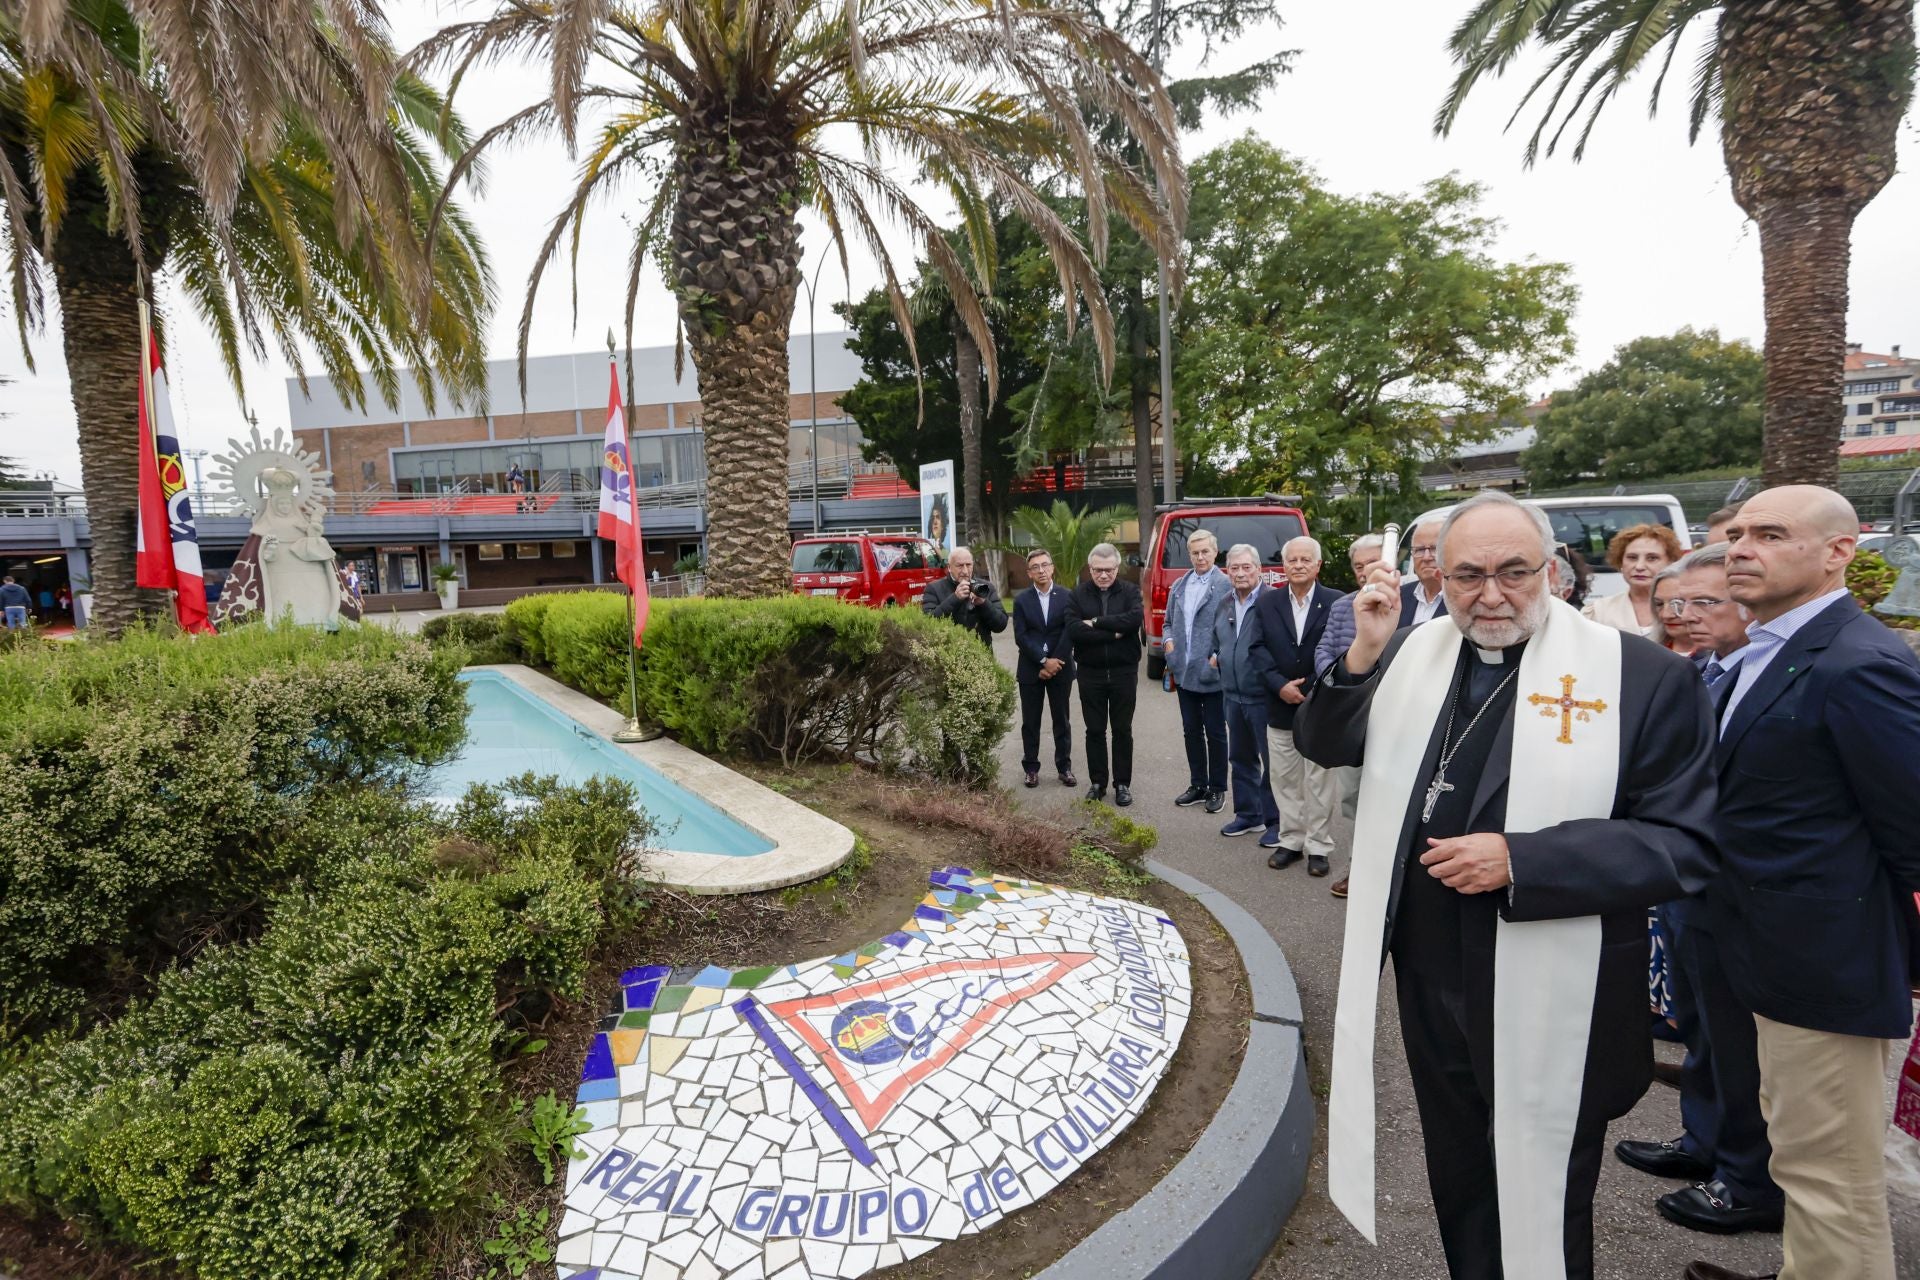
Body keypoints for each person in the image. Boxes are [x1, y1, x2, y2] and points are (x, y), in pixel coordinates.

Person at [1296, 489, 1718, 1280]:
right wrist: (1363, 651)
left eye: (1514, 571)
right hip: (1431, 975)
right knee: (1460, 1172)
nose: (1491, 595)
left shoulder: (1641, 677)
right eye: (1468, 575)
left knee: (1545, 1188)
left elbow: (1684, 845)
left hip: (1557, 974)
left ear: (1553, 571)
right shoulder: (1416, 653)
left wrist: (1524, 860)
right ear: (1440, 577)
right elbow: (1322, 741)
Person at [1687, 486, 1920, 1280]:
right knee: (1799, 1156)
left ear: (1838, 553)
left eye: (1771, 534)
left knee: (1831, 1177)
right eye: (1739, 533)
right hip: (1761, 948)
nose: (1740, 549)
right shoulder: (1763, 649)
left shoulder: (1861, 662)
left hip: (1823, 963)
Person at [1614, 542, 1784, 1239]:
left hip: (1744, 895)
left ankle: (1747, 1181)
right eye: (1674, 604)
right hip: (1692, 888)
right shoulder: (1708, 671)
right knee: (1702, 1031)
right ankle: (1705, 1142)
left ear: (1750, 603)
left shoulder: (1781, 671)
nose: (1683, 616)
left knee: (1739, 1044)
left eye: (1704, 602)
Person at [1256, 535, 1343, 875]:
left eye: (1306, 560)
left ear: (1318, 565)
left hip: (1319, 705)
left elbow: (1341, 650)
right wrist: (1280, 686)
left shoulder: (1337, 602)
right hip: (1279, 706)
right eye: (1292, 560)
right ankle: (1290, 840)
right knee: (1284, 778)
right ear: (1283, 566)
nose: (1298, 565)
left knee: (1320, 781)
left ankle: (1318, 846)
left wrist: (1306, 687)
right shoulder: (1267, 603)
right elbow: (1256, 649)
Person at [1315, 534, 1387, 899]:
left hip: (1399, 720)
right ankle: (1361, 866)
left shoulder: (1405, 604)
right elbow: (1325, 648)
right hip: (1354, 718)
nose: (1365, 572)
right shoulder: (1343, 606)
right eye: (1359, 566)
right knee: (1354, 797)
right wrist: (1340, 685)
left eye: (1373, 563)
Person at [1063, 543, 1143, 806]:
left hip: (1123, 672)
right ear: (1090, 568)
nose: (1103, 575)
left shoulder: (1130, 591)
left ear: (1117, 568)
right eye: (1098, 570)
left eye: (1109, 570)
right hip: (1090, 673)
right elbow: (1074, 629)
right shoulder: (1077, 595)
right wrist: (1114, 632)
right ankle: (1098, 783)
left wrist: (1096, 622)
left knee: (1122, 729)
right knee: (1094, 730)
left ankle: (1123, 784)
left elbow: (1133, 621)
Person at [1210, 544, 1278, 847]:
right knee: (1240, 758)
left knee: (1272, 762)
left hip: (1263, 697)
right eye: (1234, 567)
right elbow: (1217, 639)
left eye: (1246, 567)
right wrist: (1217, 655)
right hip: (1232, 695)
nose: (1239, 573)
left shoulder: (1271, 602)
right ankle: (1249, 814)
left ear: (1258, 569)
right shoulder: (1224, 603)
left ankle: (1276, 821)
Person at [1161, 529, 1231, 813]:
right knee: (1191, 730)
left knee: (1215, 732)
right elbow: (1167, 622)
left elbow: (1231, 626)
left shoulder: (1224, 584)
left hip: (1211, 671)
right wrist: (1168, 645)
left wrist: (1216, 657)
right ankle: (1198, 784)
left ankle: (1217, 788)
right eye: (1195, 552)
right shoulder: (1179, 584)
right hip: (1184, 671)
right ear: (1188, 554)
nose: (1200, 557)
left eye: (1205, 551)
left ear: (1215, 552)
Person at [1012, 547, 1076, 790]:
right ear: (1029, 573)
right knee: (1031, 722)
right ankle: (1031, 769)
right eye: (1035, 567)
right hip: (1031, 669)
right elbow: (1021, 636)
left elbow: (1070, 630)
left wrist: (1054, 662)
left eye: (1045, 565)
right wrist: (1042, 660)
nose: (1041, 570)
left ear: (1052, 567)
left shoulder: (1068, 596)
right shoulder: (1021, 601)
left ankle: (1064, 767)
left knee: (1062, 720)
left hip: (1061, 668)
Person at [1584, 523, 1684, 635]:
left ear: (1671, 562)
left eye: (1652, 558)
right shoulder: (1599, 611)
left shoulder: (1687, 607)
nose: (1639, 566)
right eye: (1632, 558)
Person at [920, 545, 1007, 647]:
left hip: (981, 656)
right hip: (948, 654)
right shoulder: (934, 588)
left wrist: (984, 603)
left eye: (968, 565)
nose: (965, 571)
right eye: (960, 566)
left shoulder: (986, 587)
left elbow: (1000, 625)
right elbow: (928, 623)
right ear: (949, 567)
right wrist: (955, 598)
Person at [1399, 516, 1447, 627]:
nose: (1426, 557)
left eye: (1435, 549)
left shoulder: (1462, 597)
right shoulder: (1399, 596)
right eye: (1420, 550)